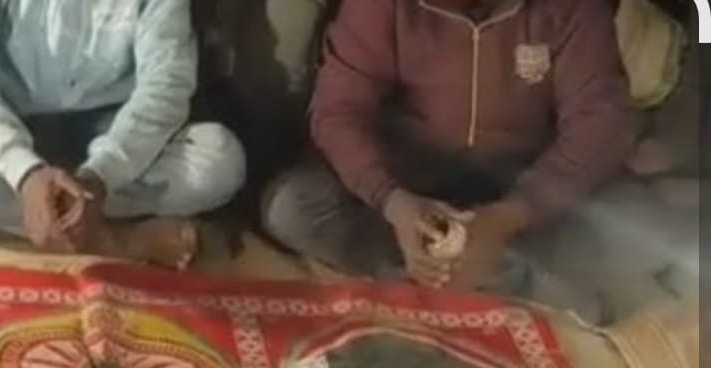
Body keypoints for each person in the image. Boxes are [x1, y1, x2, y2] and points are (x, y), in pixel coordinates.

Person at [262, 0, 636, 309]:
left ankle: (477, 268)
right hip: (407, 181)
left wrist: (508, 217)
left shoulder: (573, 8)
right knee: (293, 208)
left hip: (519, 185)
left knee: (626, 224)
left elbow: (600, 124)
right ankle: (473, 272)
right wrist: (393, 202)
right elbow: (338, 113)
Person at [0, 0, 247, 269]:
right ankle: (113, 240)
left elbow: (165, 88)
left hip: (111, 141)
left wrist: (100, 176)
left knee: (219, 161)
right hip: (0, 136)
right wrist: (24, 172)